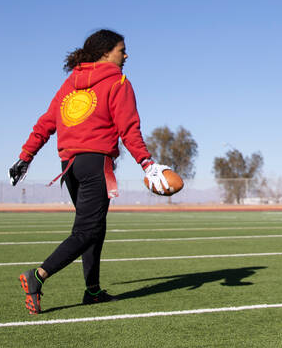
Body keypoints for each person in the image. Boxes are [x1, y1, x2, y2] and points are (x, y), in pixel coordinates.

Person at [9, 28, 171, 314]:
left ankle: (93, 291)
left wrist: (25, 156)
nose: (126, 55)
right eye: (122, 50)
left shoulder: (71, 82)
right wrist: (147, 163)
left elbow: (46, 122)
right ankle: (38, 276)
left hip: (69, 167)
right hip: (96, 164)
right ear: (106, 52)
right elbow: (129, 129)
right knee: (88, 230)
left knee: (94, 227)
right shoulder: (119, 82)